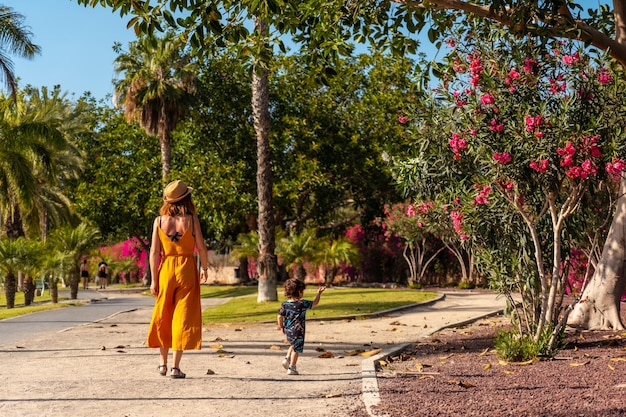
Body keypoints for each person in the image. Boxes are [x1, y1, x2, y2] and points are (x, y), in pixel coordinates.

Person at [147, 180, 209, 379]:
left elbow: (154, 252)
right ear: (186, 198)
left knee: (164, 314)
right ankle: (175, 367)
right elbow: (201, 246)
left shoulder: (159, 221)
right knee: (182, 316)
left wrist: (154, 280)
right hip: (187, 268)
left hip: (166, 269)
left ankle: (162, 365)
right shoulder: (191, 219)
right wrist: (204, 268)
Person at [277, 278, 326, 375]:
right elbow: (314, 303)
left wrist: (281, 326)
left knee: (293, 344)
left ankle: (287, 359)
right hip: (299, 330)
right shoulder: (302, 303)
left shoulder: (285, 304)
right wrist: (319, 294)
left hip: (288, 329)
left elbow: (279, 316)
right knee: (296, 348)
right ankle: (292, 367)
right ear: (299, 292)